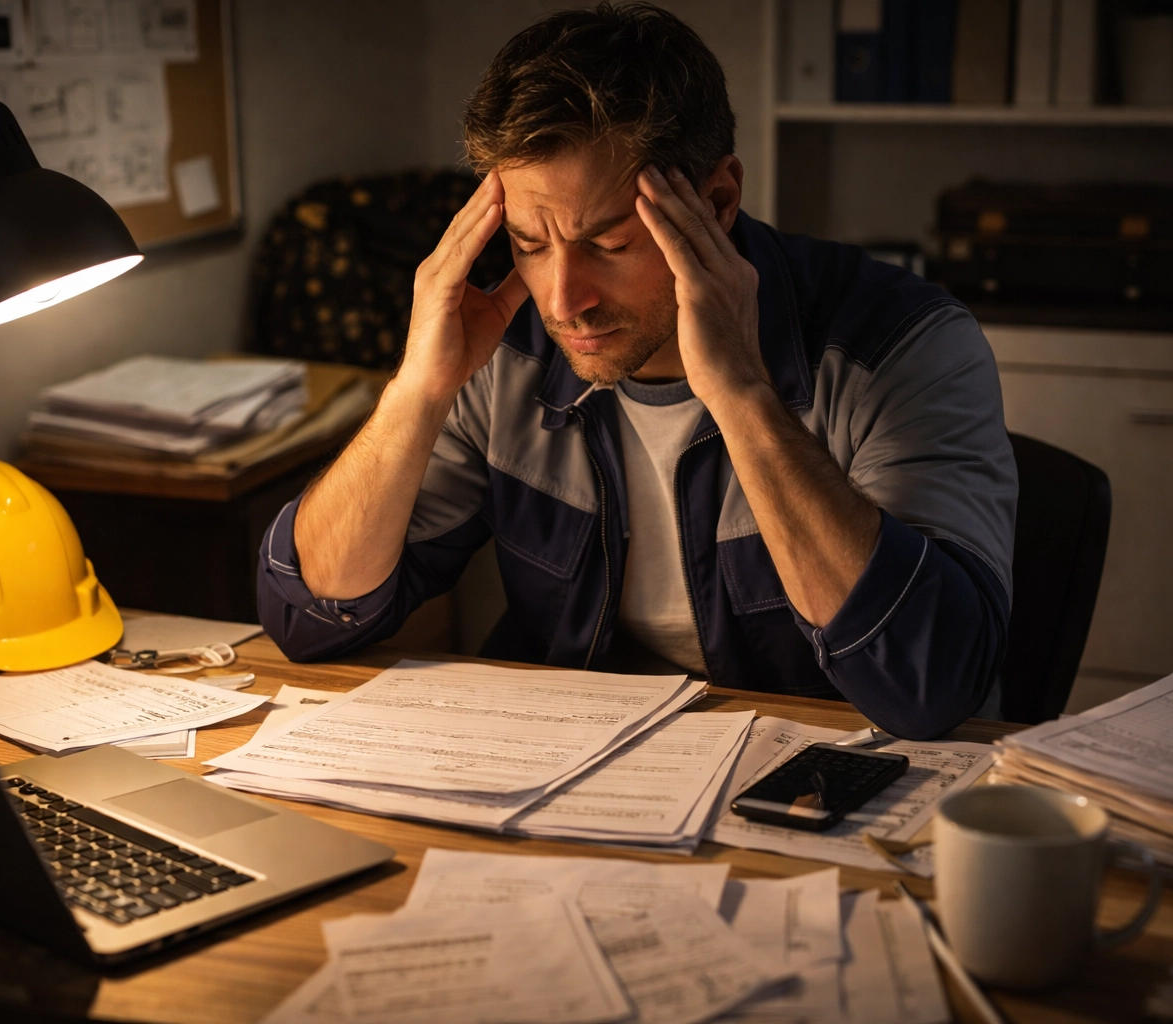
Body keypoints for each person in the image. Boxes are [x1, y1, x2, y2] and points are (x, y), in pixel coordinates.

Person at [256, 3, 1016, 740]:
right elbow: (309, 619)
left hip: (802, 796)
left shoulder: (906, 345)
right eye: (527, 241)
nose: (564, 301)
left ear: (716, 200)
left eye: (610, 246)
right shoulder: (508, 345)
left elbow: (930, 689)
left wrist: (745, 397)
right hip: (560, 784)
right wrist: (415, 395)